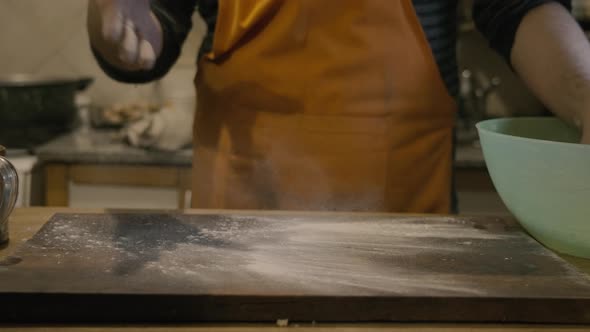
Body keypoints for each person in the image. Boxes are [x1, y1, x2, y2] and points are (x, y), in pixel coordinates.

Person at [88, 0, 590, 213]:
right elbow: (153, 22)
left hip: (405, 232)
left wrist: (585, 91)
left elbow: (516, 5)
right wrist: (117, 35)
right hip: (232, 230)